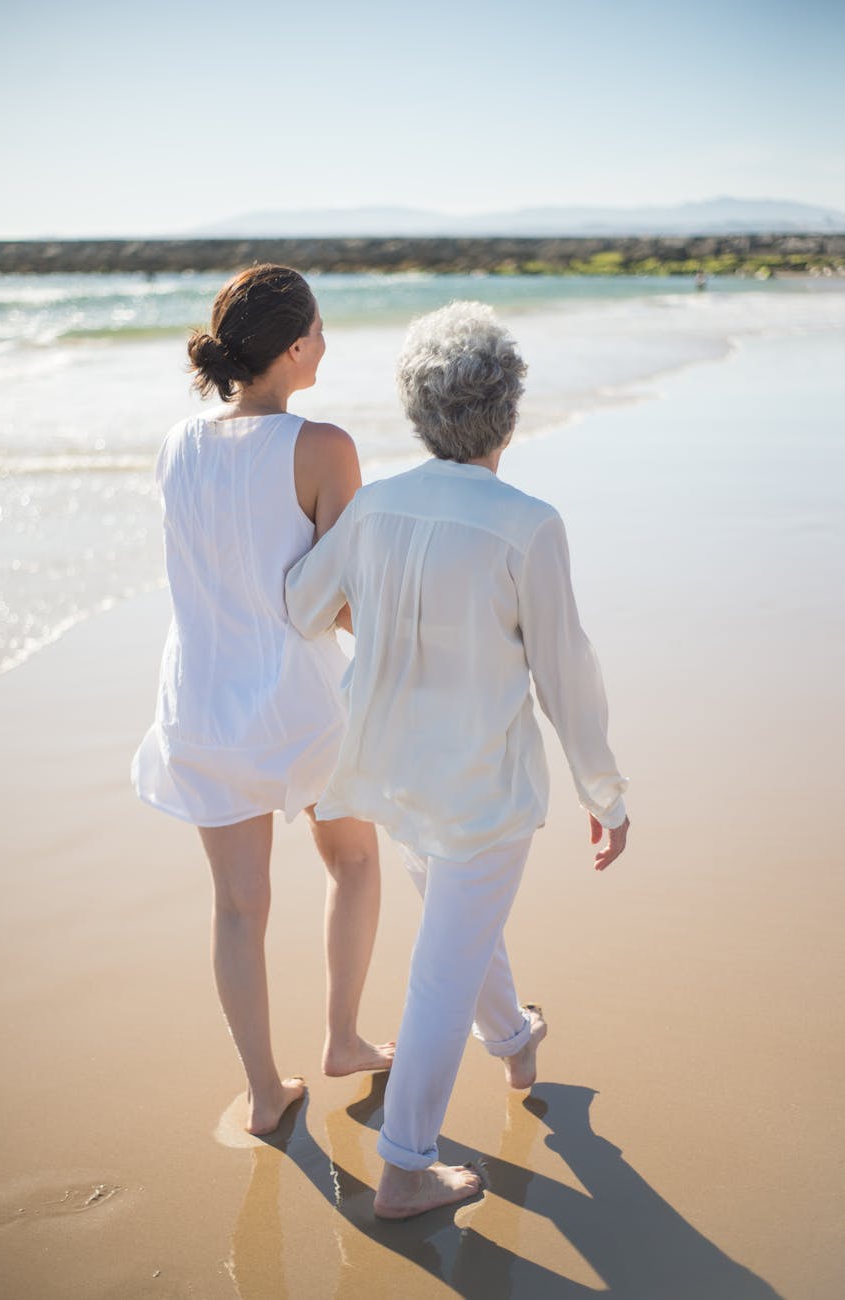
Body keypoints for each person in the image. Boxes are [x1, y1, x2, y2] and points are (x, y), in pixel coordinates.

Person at [285, 301, 629, 1217]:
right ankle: (404, 1164)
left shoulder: (376, 509)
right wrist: (607, 790)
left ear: (416, 410)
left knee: (455, 925)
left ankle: (514, 1038)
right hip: (480, 782)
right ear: (507, 411)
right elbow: (567, 673)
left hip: (389, 769)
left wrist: (382, 606)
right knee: (444, 958)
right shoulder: (528, 523)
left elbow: (303, 606)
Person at [131, 264, 392, 1136]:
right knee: (352, 861)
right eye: (319, 329)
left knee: (238, 906)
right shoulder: (323, 446)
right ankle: (345, 1039)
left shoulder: (177, 443)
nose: (326, 343)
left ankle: (264, 1095)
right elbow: (341, 599)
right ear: (292, 346)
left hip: (200, 702)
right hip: (298, 701)